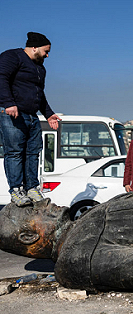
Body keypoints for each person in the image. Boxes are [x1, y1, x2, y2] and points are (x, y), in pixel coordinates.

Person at [0, 32, 61, 206]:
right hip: (13, 114)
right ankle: (16, 190)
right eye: (45, 51)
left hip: (32, 117)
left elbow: (39, 94)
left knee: (33, 153)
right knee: (14, 153)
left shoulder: (40, 68)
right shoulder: (12, 57)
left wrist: (48, 114)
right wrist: (8, 103)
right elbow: (1, 78)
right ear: (34, 48)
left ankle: (32, 188)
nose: (47, 55)